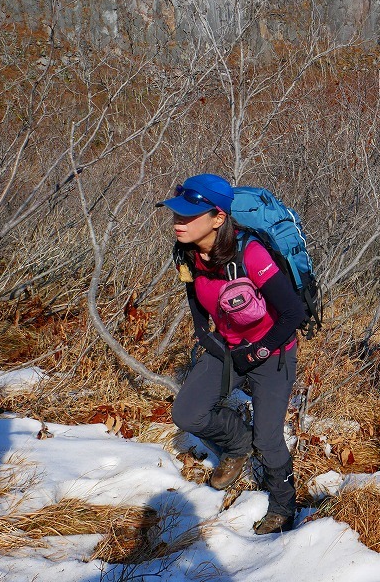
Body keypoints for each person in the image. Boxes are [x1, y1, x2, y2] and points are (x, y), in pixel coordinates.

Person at [159, 174, 303, 535]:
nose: (179, 222)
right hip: (229, 348)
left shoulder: (250, 254)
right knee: (187, 413)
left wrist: (257, 353)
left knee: (268, 438)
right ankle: (237, 444)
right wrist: (211, 343)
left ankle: (284, 505)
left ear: (218, 218)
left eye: (189, 216)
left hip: (273, 351)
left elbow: (293, 315)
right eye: (177, 215)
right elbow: (197, 308)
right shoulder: (187, 253)